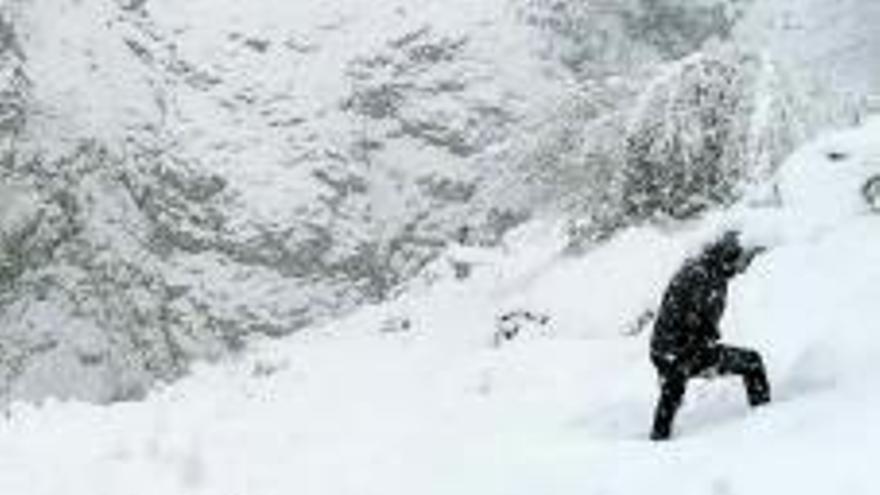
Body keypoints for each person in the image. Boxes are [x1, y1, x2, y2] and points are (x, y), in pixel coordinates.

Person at [649, 230, 770, 441]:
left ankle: (659, 435)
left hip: (673, 349)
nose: (744, 268)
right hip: (678, 350)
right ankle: (766, 422)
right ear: (728, 255)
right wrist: (702, 346)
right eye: (743, 261)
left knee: (674, 387)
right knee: (752, 363)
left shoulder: (710, 271)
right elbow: (687, 318)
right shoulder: (700, 275)